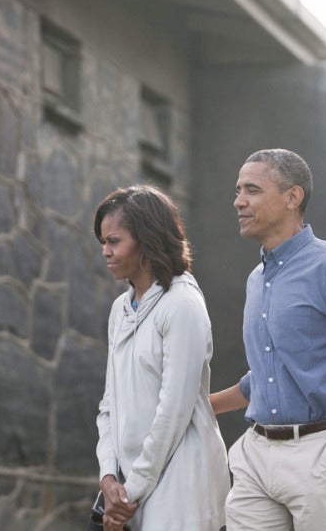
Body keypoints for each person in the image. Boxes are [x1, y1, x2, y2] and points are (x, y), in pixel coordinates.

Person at [210, 148, 326, 531]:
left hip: (323, 454)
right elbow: (268, 375)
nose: (238, 201)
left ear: (293, 197)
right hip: (256, 456)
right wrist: (198, 405)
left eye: (252, 190)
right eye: (238, 190)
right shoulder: (256, 279)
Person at [93, 185, 229, 531]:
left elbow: (174, 411)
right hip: (129, 491)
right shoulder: (119, 310)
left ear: (147, 240)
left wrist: (130, 492)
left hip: (183, 486)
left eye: (114, 241)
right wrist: (109, 476)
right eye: (103, 243)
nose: (105, 252)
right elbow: (109, 404)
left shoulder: (182, 304)